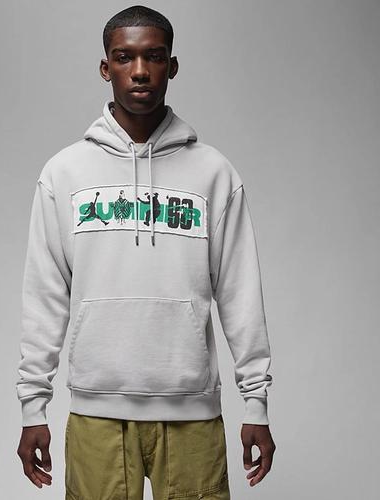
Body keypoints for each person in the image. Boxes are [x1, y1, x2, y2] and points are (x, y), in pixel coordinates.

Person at [16, 5, 276, 499]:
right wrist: (33, 408)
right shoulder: (64, 174)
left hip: (192, 411)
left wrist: (256, 404)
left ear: (171, 66)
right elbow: (44, 296)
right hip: (96, 412)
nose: (139, 71)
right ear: (105, 67)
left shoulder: (213, 173)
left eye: (153, 57)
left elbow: (241, 294)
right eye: (124, 57)